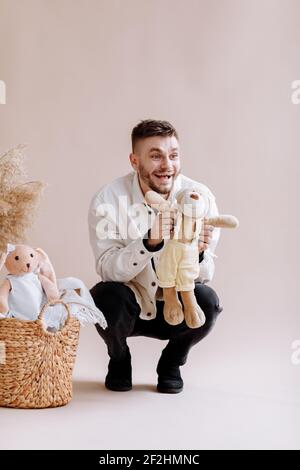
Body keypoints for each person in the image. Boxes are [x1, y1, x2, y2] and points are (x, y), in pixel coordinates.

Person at [88, 119, 223, 394]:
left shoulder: (200, 197)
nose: (167, 165)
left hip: (178, 304)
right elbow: (106, 268)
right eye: (155, 156)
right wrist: (147, 243)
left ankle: (171, 363)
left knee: (208, 302)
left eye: (173, 155)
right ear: (134, 161)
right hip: (134, 305)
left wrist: (197, 255)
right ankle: (119, 358)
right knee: (102, 298)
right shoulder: (108, 199)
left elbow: (206, 273)